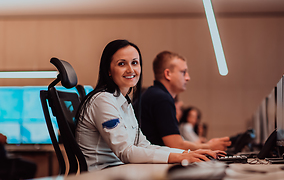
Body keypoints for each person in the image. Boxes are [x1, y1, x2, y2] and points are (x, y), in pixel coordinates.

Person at [75, 40, 222, 172]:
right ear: (108, 70)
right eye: (121, 63)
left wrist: (185, 154)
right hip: (101, 176)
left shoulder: (123, 101)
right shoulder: (103, 100)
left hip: (118, 170)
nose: (130, 70)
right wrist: (177, 157)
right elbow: (126, 152)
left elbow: (142, 144)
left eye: (134, 62)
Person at [140, 51, 231, 151]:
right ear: (168, 74)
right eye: (183, 72)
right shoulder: (161, 98)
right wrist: (210, 147)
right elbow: (176, 145)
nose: (188, 78)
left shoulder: (153, 94)